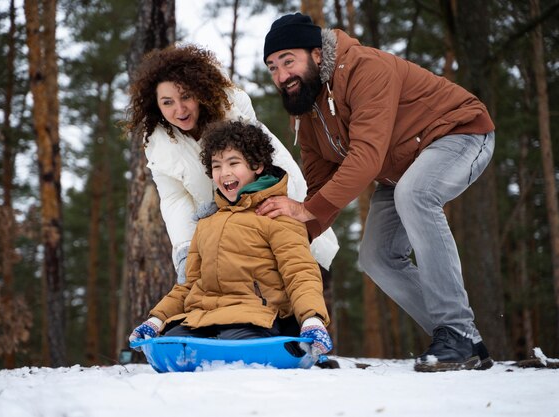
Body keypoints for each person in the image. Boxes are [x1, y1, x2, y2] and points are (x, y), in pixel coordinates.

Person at [258, 13, 496, 372]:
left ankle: (457, 330)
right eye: (272, 67)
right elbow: (319, 187)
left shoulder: (365, 68)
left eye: (288, 61)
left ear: (317, 54)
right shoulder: (307, 111)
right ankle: (462, 342)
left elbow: (366, 157)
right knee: (376, 257)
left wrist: (307, 210)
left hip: (458, 133)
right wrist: (288, 239)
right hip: (398, 171)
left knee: (415, 195)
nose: (281, 75)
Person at [126, 44, 338, 286]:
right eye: (168, 102)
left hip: (267, 203)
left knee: (293, 273)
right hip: (220, 230)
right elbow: (174, 199)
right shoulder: (158, 143)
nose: (179, 109)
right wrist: (185, 250)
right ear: (156, 105)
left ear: (199, 91)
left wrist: (240, 216)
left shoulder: (230, 109)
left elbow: (261, 171)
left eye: (185, 96)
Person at [129, 120, 333, 360]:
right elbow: (189, 284)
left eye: (233, 163)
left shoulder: (277, 216)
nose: (224, 172)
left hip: (255, 317)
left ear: (257, 165)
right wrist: (157, 318)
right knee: (169, 346)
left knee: (231, 350)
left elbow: (300, 272)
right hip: (202, 319)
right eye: (216, 166)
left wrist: (312, 318)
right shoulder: (207, 224)